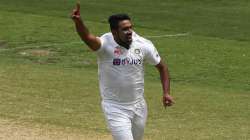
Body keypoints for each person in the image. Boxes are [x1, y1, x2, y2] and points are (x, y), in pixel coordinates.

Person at [71, 2, 174, 140]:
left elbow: (162, 67)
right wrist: (78, 22)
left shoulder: (143, 45)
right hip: (115, 107)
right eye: (125, 29)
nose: (129, 32)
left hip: (139, 106)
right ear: (114, 32)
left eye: (130, 28)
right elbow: (88, 38)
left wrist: (166, 92)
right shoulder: (105, 44)